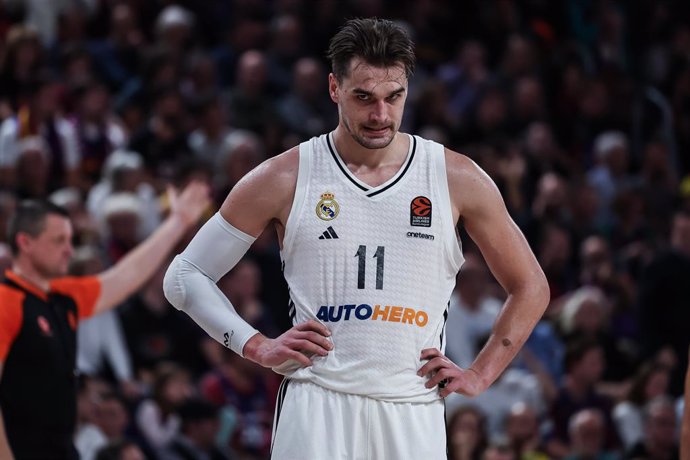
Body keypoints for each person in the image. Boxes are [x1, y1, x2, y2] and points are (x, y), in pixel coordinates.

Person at [164, 18, 549, 459]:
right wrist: (256, 345)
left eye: (394, 97)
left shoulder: (455, 177)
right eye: (363, 97)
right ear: (334, 88)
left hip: (412, 407)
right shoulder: (285, 175)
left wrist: (481, 375)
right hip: (316, 405)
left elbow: (532, 287)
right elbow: (183, 276)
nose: (380, 115)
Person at [0, 180, 209, 459]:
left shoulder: (62, 297)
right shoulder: (6, 302)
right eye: (58, 241)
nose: (69, 251)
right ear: (25, 243)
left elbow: (125, 277)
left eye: (70, 240)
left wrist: (177, 222)